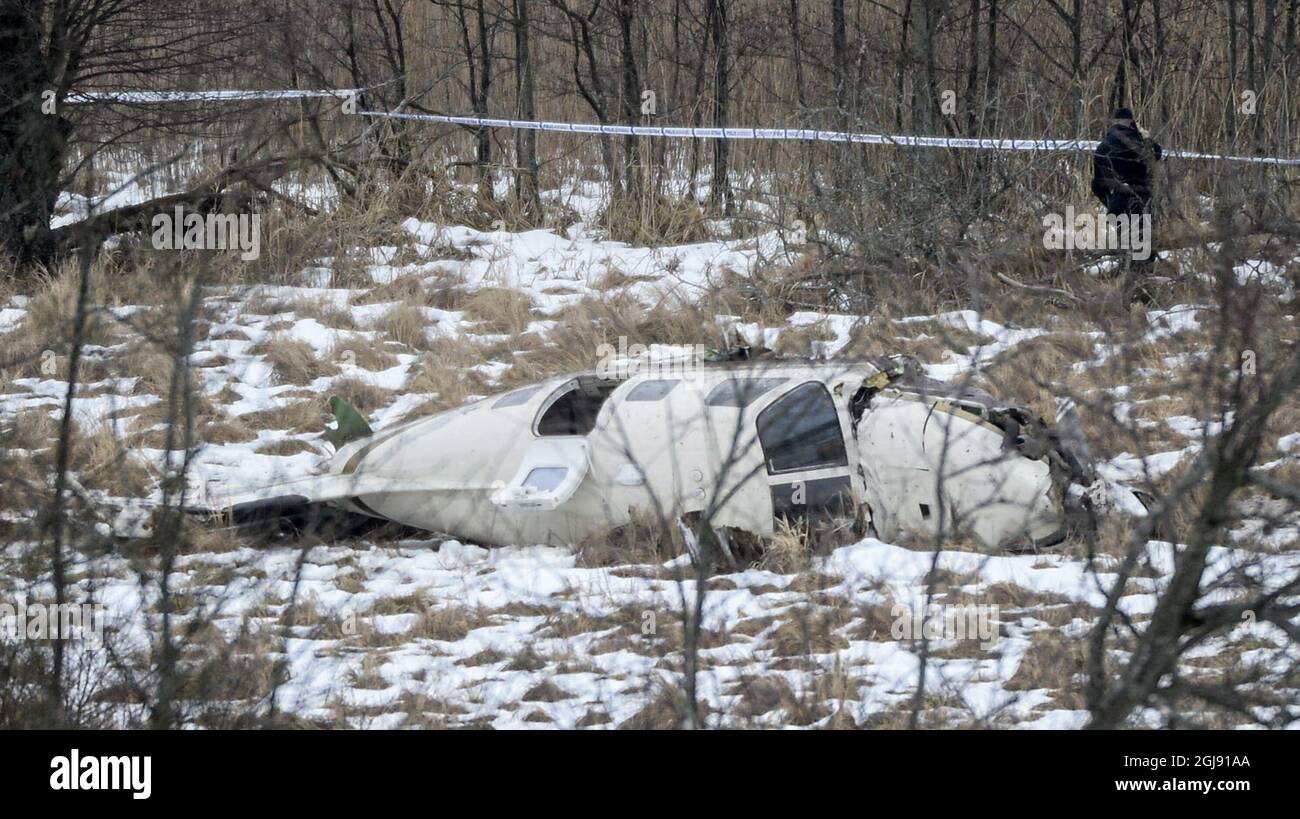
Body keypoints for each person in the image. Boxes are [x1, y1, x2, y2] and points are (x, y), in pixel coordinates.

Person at [1091, 107, 1163, 302]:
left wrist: (1110, 202)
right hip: (1140, 201)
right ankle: (1141, 297)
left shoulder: (1103, 146)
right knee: (1143, 249)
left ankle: (1126, 296)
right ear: (1132, 122)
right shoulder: (1140, 143)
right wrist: (1146, 137)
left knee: (1127, 248)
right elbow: (1157, 155)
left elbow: (1097, 184)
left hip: (1117, 202)